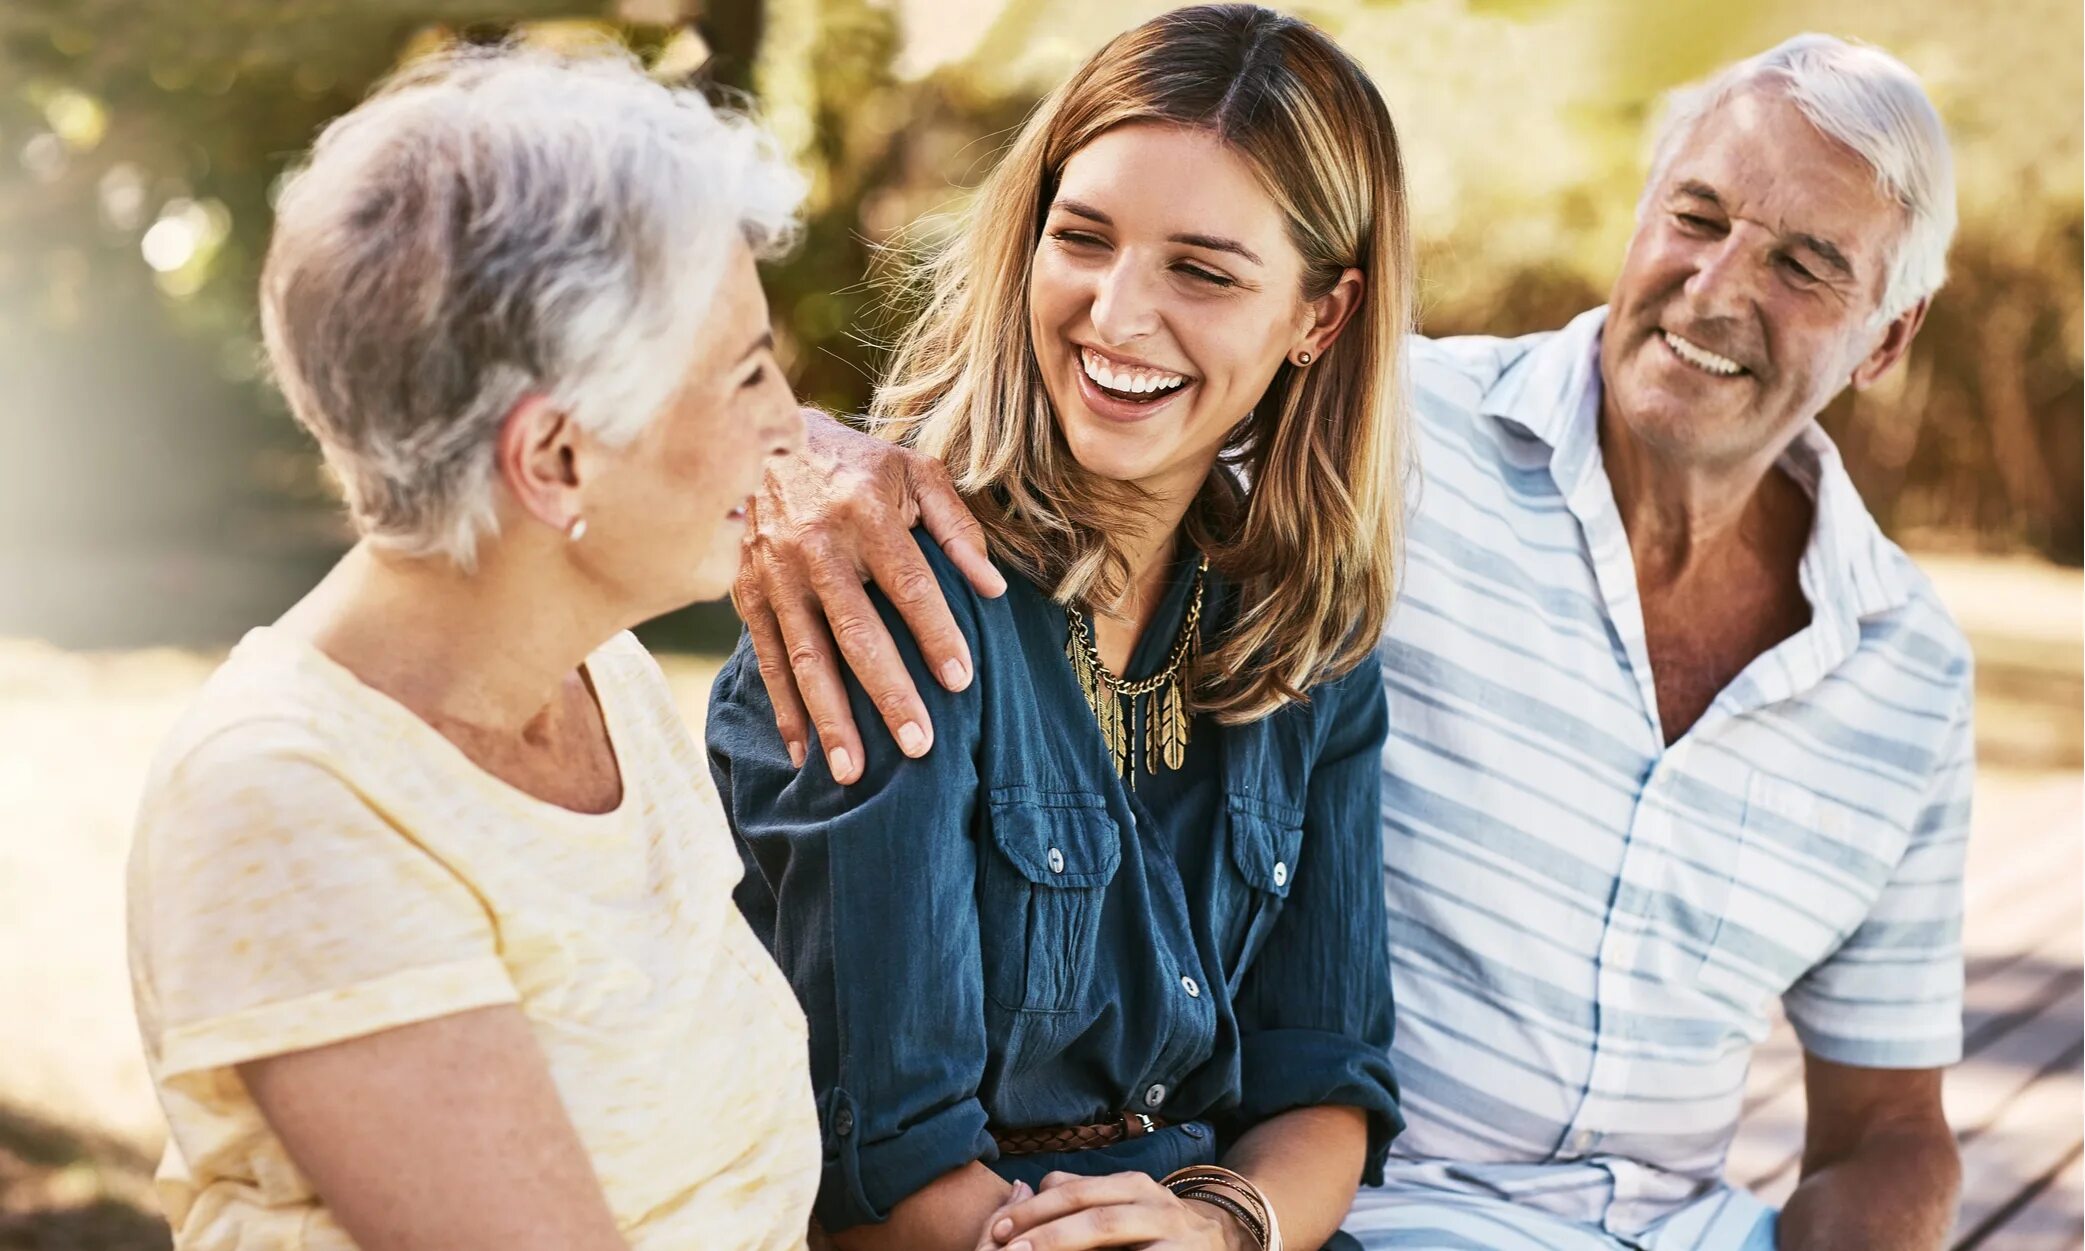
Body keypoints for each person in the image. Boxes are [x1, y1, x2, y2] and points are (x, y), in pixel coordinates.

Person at [730, 32, 1974, 1251]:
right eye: (1697, 217)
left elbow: (1885, 1127)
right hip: (1387, 1220)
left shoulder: (1309, 597)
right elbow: (887, 1169)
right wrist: (796, 451)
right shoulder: (1381, 458)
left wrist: (1227, 1224)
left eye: (1806, 263)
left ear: (1893, 337)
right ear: (1640, 215)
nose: (1717, 288)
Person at [705, 7, 1411, 1250]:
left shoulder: (1307, 634)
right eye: (1081, 240)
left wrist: (1221, 1230)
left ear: (1321, 317)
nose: (1115, 315)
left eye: (1202, 270)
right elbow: (888, 1175)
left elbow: (1323, 1077)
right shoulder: (884, 589)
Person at [125, 44, 819, 1250]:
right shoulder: (287, 802)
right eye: (750, 374)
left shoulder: (603, 676)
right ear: (556, 459)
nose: (790, 423)